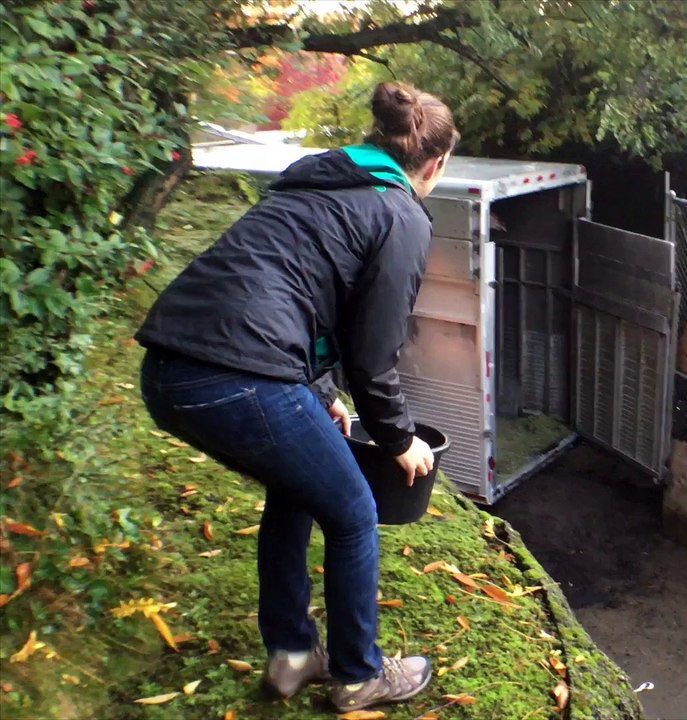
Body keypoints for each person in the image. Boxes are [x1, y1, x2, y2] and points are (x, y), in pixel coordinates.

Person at [135, 81, 457, 712]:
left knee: (299, 488)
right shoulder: (401, 214)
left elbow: (292, 292)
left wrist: (317, 389)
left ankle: (289, 656)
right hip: (234, 376)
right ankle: (360, 675)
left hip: (168, 369)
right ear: (435, 164)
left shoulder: (313, 184)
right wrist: (399, 439)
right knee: (353, 511)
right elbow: (373, 352)